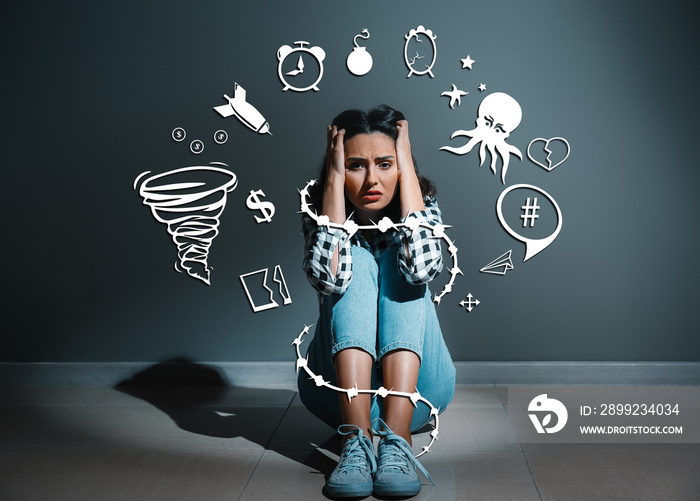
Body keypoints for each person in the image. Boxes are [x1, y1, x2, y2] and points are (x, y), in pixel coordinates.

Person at [298, 105, 456, 498]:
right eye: (354, 166)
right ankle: (356, 440)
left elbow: (422, 269)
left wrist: (407, 173)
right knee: (357, 261)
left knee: (397, 261)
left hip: (422, 393)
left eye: (386, 164)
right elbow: (328, 278)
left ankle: (397, 439)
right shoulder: (320, 210)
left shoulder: (423, 206)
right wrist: (333, 183)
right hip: (335, 393)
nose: (372, 179)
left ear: (401, 166)